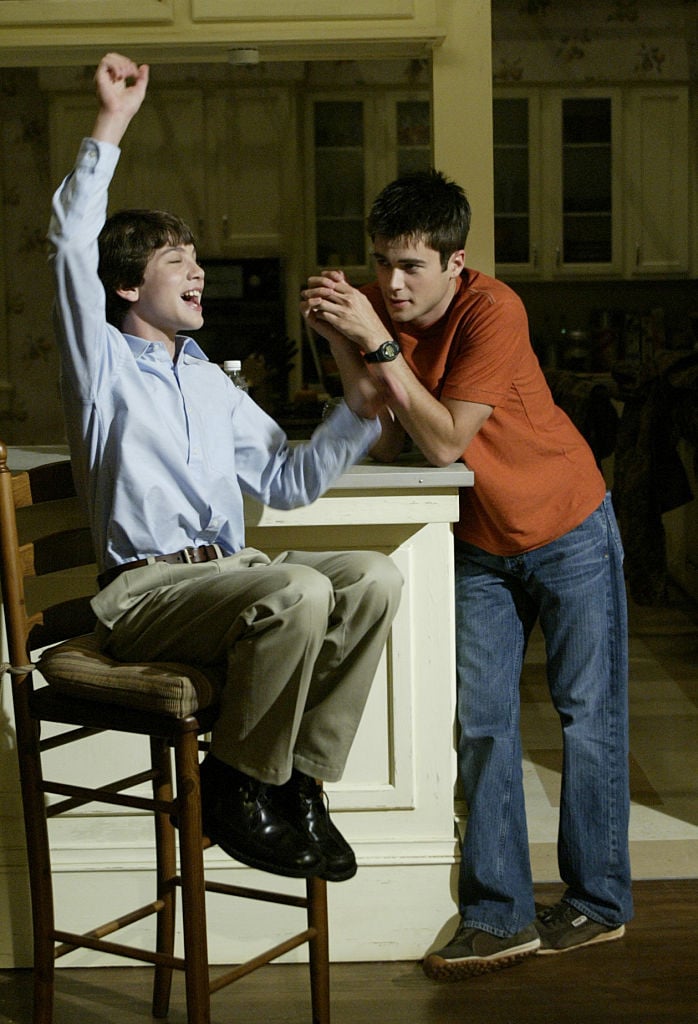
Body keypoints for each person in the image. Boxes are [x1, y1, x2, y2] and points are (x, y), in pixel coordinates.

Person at [47, 52, 403, 885]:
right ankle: (240, 781)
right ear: (130, 287)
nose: (200, 269)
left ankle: (299, 780)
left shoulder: (208, 376)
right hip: (144, 594)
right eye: (178, 261)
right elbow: (68, 240)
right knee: (300, 591)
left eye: (197, 256)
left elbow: (289, 481)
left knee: (374, 578)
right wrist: (113, 122)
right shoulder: (98, 365)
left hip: (228, 578)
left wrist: (360, 396)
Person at [301, 168, 632, 975]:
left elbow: (446, 440)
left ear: (457, 261)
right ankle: (500, 916)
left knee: (588, 719)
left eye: (412, 265)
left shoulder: (495, 309)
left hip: (567, 524)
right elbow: (382, 436)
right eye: (382, 262)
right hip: (480, 546)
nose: (392, 282)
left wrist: (377, 344)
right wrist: (345, 344)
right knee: (482, 724)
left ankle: (598, 904)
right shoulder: (376, 314)